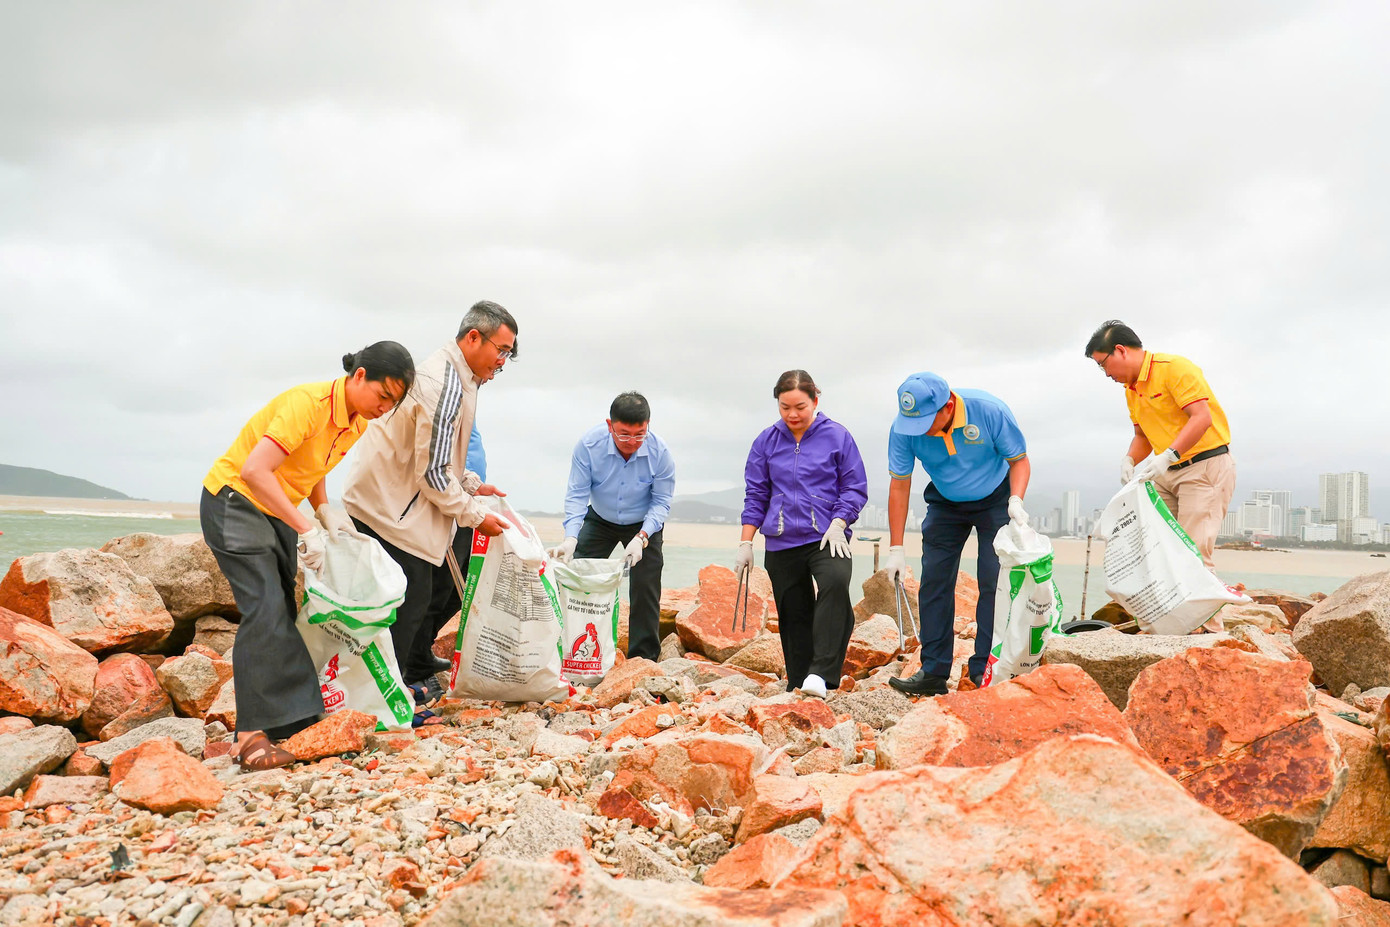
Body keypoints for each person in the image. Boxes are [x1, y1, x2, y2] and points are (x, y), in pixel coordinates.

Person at [200, 342, 414, 770]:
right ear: (359, 376)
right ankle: (248, 738)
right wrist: (304, 528)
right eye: (383, 395)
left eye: (394, 402)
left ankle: (292, 718)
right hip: (234, 501)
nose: (384, 408)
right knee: (262, 607)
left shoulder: (357, 422)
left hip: (273, 507)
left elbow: (313, 468)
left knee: (286, 608)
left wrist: (323, 510)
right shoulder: (307, 404)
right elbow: (254, 470)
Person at [342, 301, 517, 700]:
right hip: (385, 504)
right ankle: (385, 696)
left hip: (397, 497)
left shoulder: (461, 375)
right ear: (474, 337)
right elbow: (433, 473)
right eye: (501, 350)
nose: (503, 361)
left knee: (430, 589)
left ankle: (408, 669)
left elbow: (441, 456)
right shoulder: (444, 383)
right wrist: (476, 517)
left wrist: (471, 484)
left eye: (509, 354)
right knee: (411, 595)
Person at [885, 372, 1030, 697]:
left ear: (948, 405)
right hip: (945, 501)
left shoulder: (989, 411)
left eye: (925, 421)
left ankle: (983, 673)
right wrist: (896, 546)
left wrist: (1015, 500)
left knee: (993, 582)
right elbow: (899, 483)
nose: (920, 431)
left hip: (995, 498)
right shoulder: (904, 428)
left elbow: (1019, 460)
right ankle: (933, 671)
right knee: (934, 581)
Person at [736, 370, 867, 699]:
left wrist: (839, 522)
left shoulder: (837, 436)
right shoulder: (766, 441)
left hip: (827, 537)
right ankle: (799, 683)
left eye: (800, 406)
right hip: (781, 540)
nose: (792, 414)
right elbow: (756, 495)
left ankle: (821, 674)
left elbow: (853, 487)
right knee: (793, 613)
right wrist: (746, 542)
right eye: (784, 407)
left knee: (835, 585)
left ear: (815, 401)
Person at [1086, 319, 1236, 572]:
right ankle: (1158, 612)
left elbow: (1201, 417)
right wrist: (1130, 459)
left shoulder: (1174, 368)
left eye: (1103, 364)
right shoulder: (1131, 390)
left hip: (1203, 467)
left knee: (1192, 554)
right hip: (1165, 473)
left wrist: (1169, 454)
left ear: (1121, 350)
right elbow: (1142, 437)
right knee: (1157, 550)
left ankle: (1208, 613)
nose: (1106, 373)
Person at [548, 392, 675, 662]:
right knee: (577, 578)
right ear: (610, 425)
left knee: (646, 587)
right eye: (624, 434)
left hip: (643, 524)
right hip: (600, 519)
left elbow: (662, 502)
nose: (632, 442)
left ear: (648, 425)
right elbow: (577, 495)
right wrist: (570, 537)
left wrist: (642, 538)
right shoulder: (588, 445)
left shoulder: (660, 452)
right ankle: (566, 650)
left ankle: (642, 660)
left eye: (639, 434)